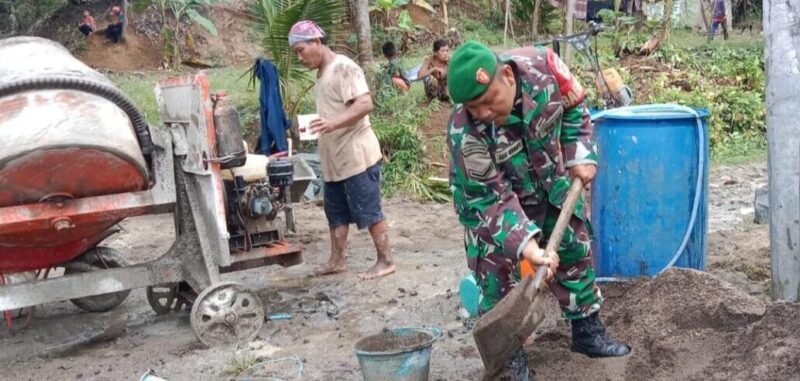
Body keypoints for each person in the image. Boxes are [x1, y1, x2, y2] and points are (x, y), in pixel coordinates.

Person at [446, 41, 630, 380]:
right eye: (474, 107)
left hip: (548, 183)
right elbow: (491, 199)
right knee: (497, 275)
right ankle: (508, 357)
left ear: (507, 75)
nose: (484, 113)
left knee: (575, 250)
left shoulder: (545, 66)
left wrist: (580, 155)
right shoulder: (465, 133)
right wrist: (529, 247)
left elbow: (576, 108)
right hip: (492, 210)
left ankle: (586, 332)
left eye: (488, 101)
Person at [288, 20, 396, 280]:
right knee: (335, 213)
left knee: (369, 210)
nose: (300, 58)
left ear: (317, 42)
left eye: (301, 50)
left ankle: (386, 260)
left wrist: (332, 123)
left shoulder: (344, 68)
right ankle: (336, 260)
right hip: (335, 160)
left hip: (357, 156)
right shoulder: (324, 74)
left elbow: (365, 103)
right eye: (296, 53)